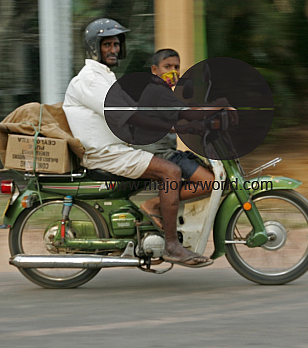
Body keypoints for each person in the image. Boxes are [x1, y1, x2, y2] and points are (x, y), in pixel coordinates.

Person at [63, 18, 213, 268]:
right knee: (171, 171)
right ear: (94, 47)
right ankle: (172, 246)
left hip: (117, 149)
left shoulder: (104, 77)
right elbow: (130, 117)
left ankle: (158, 227)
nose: (114, 50)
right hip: (107, 154)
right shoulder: (90, 80)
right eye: (107, 44)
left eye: (117, 44)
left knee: (171, 166)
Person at [134, 49, 216, 227]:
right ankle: (154, 204)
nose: (173, 71)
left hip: (163, 150)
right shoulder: (156, 91)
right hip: (158, 153)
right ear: (155, 70)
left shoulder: (164, 93)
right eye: (167, 66)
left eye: (177, 67)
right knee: (209, 181)